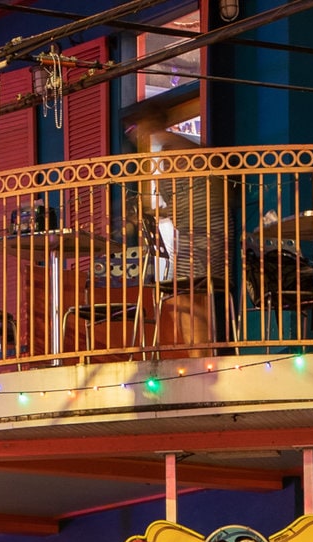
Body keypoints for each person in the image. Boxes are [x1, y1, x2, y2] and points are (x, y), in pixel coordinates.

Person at [124, 100, 230, 354]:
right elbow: (190, 197)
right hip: (200, 231)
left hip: (202, 233)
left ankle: (200, 355)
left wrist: (152, 215)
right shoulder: (176, 147)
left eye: (136, 129)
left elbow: (197, 198)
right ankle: (201, 354)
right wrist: (156, 214)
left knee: (187, 296)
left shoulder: (170, 149)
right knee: (186, 296)